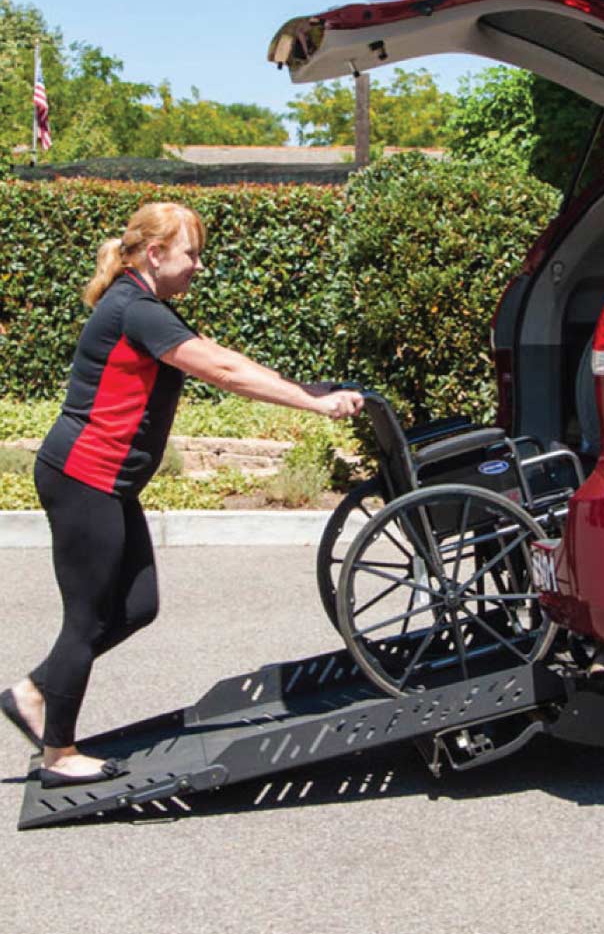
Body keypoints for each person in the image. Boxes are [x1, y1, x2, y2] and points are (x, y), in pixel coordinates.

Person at [0, 203, 364, 787]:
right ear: (155, 254)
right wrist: (315, 406)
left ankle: (35, 692)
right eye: (190, 253)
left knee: (138, 605)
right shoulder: (134, 309)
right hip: (84, 477)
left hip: (108, 482)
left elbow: (226, 361)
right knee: (86, 619)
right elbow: (222, 371)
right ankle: (58, 752)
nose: (199, 265)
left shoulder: (148, 310)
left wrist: (306, 388)